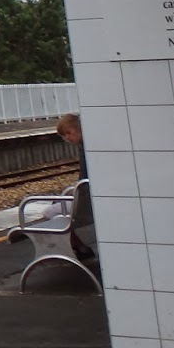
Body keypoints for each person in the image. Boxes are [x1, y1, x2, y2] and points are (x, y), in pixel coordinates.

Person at [56, 112, 95, 264]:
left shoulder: (85, 148)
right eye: (64, 136)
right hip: (86, 197)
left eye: (69, 133)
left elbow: (84, 178)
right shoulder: (86, 144)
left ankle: (79, 248)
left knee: (52, 213)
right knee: (60, 207)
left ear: (79, 129)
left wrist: (76, 190)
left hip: (85, 201)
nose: (67, 138)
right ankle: (80, 247)